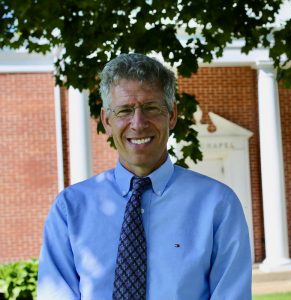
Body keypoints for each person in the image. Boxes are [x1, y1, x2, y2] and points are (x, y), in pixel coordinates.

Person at [37, 53, 251, 299]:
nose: (138, 123)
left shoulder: (218, 204)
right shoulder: (70, 208)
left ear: (171, 115)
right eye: (125, 111)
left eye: (150, 108)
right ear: (107, 121)